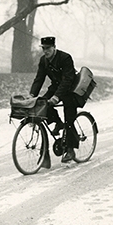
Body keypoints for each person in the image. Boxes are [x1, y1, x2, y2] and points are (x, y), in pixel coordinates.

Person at [30, 36, 79, 165]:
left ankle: (70, 150)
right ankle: (58, 123)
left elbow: (67, 79)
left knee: (69, 118)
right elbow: (39, 79)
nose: (45, 51)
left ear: (54, 47)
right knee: (42, 105)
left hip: (70, 90)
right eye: (43, 48)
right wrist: (31, 95)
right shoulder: (43, 61)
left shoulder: (65, 58)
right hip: (56, 87)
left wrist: (57, 96)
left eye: (48, 48)